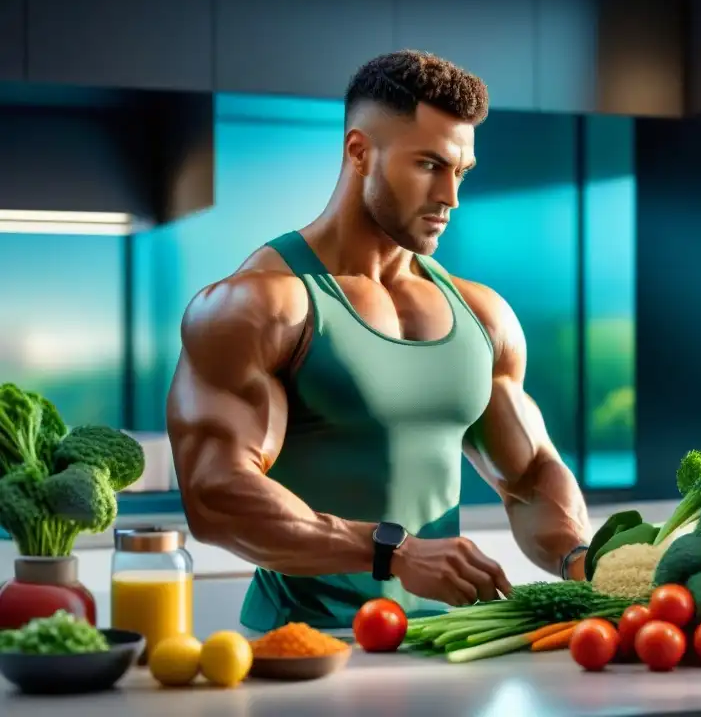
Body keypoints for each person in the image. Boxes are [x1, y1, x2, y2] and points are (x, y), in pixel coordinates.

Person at [166, 50, 593, 632]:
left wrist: (579, 557)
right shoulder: (262, 304)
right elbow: (216, 494)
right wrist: (393, 552)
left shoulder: (481, 313)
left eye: (460, 171)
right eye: (428, 165)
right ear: (359, 152)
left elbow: (531, 475)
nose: (451, 196)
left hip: (445, 642)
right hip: (306, 644)